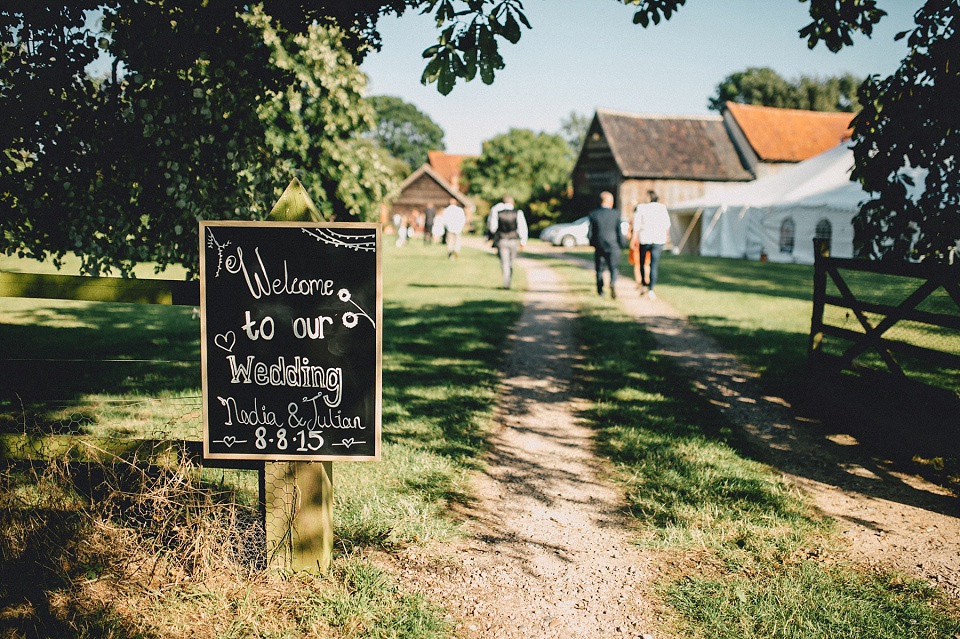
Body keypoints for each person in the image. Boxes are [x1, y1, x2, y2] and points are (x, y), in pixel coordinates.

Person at [631, 190, 671, 300]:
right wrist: (666, 237)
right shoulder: (662, 208)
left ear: (649, 197)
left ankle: (644, 284)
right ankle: (651, 289)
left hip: (645, 238)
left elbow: (636, 225)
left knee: (642, 262)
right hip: (658, 239)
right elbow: (667, 225)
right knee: (653, 265)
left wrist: (634, 238)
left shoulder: (641, 208)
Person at [587, 191, 624, 298]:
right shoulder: (616, 214)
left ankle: (600, 290)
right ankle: (612, 282)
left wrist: (593, 243)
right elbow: (619, 231)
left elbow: (590, 233)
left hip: (599, 245)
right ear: (610, 201)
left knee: (599, 269)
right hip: (613, 245)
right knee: (614, 267)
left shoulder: (594, 214)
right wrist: (622, 244)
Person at [488, 195, 528, 288]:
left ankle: (506, 283)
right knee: (511, 262)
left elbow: (493, 228)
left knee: (504, 262)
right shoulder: (518, 212)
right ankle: (508, 280)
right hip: (513, 240)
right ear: (512, 202)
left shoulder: (498, 213)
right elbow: (522, 228)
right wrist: (523, 241)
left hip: (502, 239)